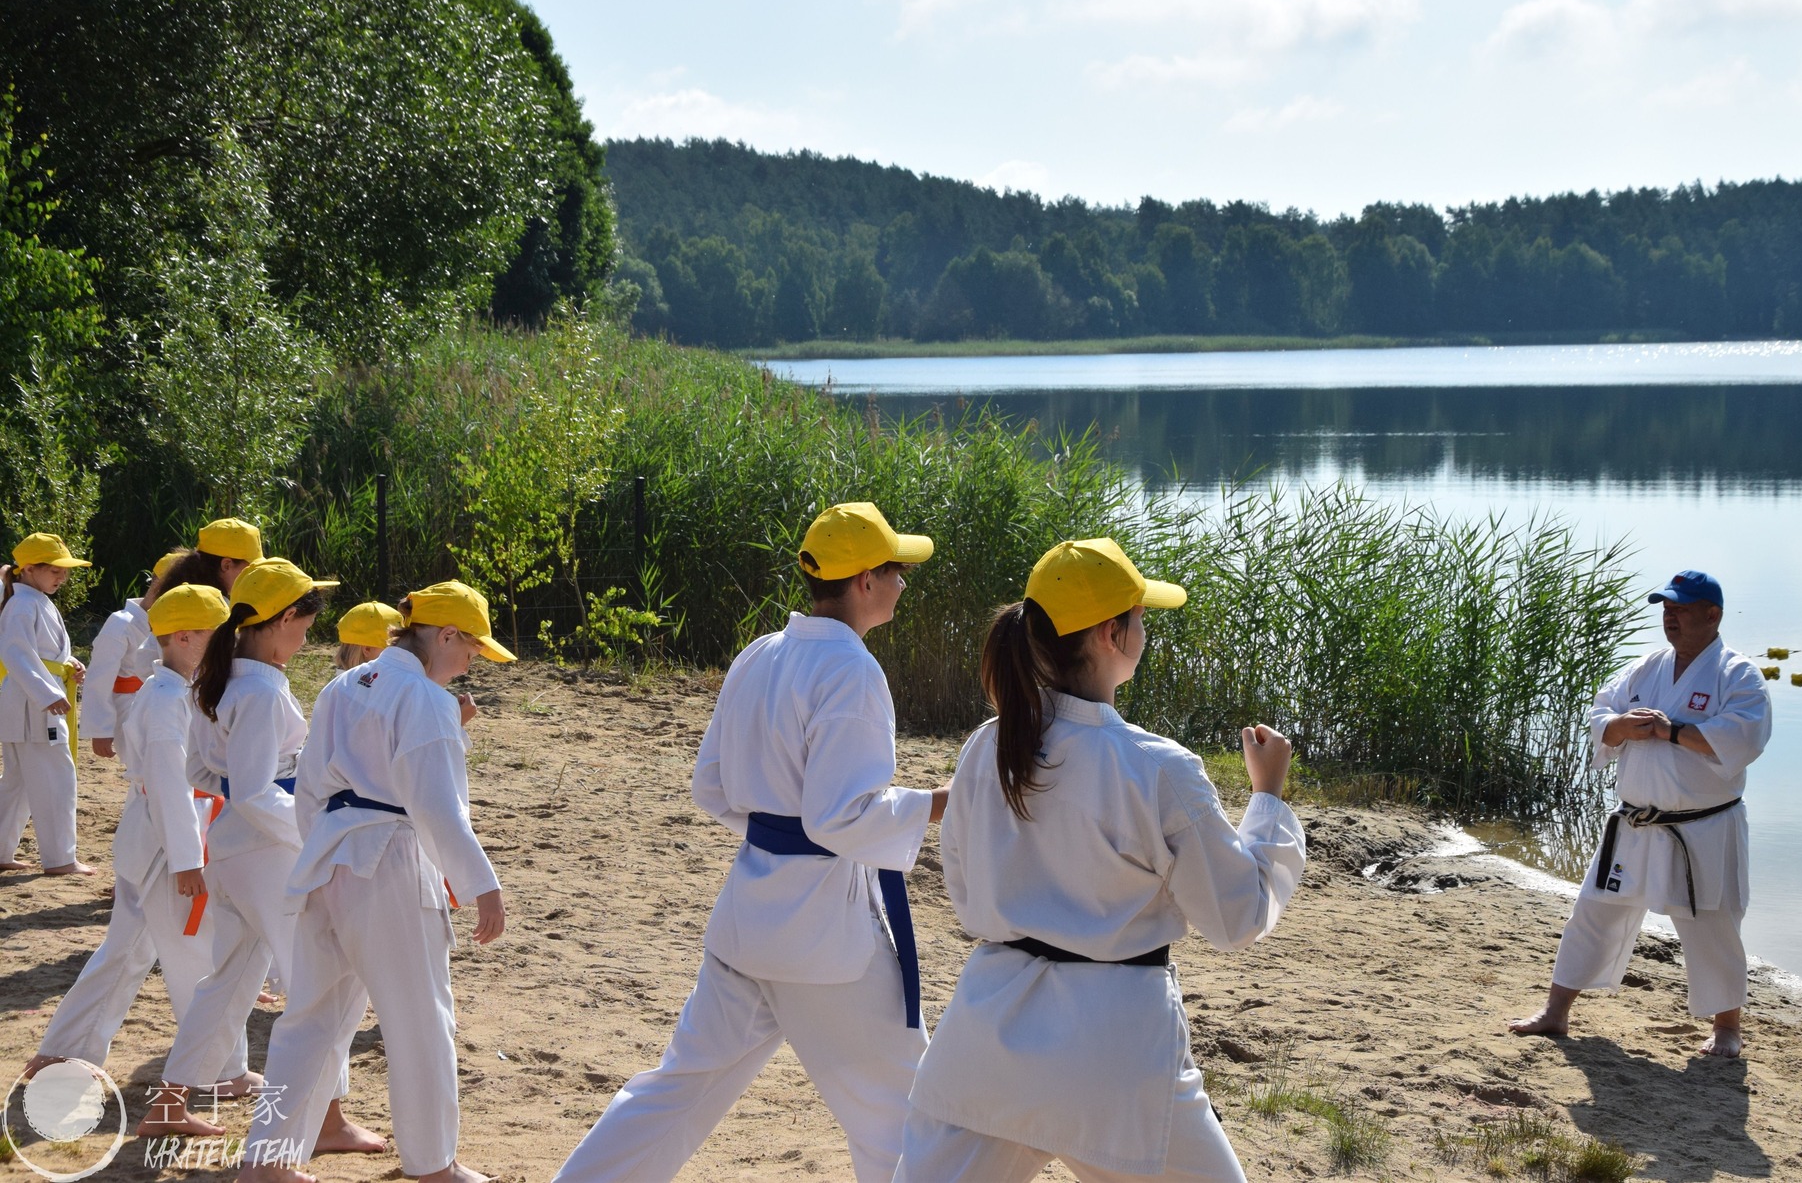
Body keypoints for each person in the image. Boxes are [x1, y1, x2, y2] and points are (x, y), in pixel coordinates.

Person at [554, 502, 944, 1183]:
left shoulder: (761, 653)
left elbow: (712, 787)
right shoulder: (852, 672)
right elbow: (837, 818)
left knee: (677, 1090)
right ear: (863, 582)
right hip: (827, 942)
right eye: (896, 569)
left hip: (747, 920)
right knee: (906, 1115)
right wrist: (938, 805)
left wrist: (779, 832)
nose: (905, 581)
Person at [896, 538, 1307, 1183]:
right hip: (1115, 1049)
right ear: (1114, 633)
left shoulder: (989, 747)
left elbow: (967, 891)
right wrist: (1267, 799)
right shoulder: (1156, 767)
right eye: (1140, 616)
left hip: (992, 1033)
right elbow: (1238, 917)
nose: (1145, 627)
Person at [238, 582, 512, 1183]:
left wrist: (321, 847)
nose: (473, 662)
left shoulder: (343, 685)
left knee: (309, 1019)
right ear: (445, 636)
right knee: (420, 1018)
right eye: (471, 648)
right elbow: (438, 807)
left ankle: (266, 1161)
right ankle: (433, 1164)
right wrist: (480, 884)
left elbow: (308, 786)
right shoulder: (426, 699)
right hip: (389, 858)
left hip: (329, 854)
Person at [137, 558, 381, 1153]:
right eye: (305, 624)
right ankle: (327, 1120)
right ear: (285, 618)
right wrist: (310, 828)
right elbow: (250, 790)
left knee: (228, 983)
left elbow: (204, 772)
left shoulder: (220, 680)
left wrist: (269, 798)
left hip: (231, 850)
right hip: (270, 854)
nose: (307, 638)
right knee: (318, 981)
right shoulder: (261, 689)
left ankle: (171, 1102)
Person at [1510, 570, 1771, 1059]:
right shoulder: (1646, 667)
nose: (1669, 617)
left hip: (1703, 826)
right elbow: (1600, 714)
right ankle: (1556, 1011)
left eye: (1681, 609)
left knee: (1713, 925)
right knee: (1593, 911)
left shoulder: (1738, 676)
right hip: (1635, 821)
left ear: (1712, 615)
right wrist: (1620, 726)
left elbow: (1744, 738)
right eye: (1665, 608)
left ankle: (1728, 1027)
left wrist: (1673, 732)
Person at [26, 583, 255, 1092]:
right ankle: (221, 1070)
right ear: (186, 636)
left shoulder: (168, 690)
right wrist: (186, 859)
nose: (228, 643)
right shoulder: (168, 697)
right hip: (165, 839)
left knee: (126, 950)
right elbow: (171, 782)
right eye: (220, 634)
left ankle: (65, 1049)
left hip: (148, 834)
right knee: (195, 955)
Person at [0, 533, 95, 876]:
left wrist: (70, 663)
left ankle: (1, 851)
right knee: (56, 777)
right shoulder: (23, 604)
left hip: (29, 703)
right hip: (34, 707)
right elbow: (15, 653)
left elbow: (41, 652)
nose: (62, 577)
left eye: (64, 571)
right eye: (54, 570)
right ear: (28, 569)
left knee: (19, 782)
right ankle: (61, 859)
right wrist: (47, 693)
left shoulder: (32, 600)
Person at [76, 551, 182, 763]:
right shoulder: (121, 623)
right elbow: (99, 678)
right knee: (142, 773)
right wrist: (100, 729)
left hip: (166, 705)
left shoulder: (173, 622)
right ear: (157, 584)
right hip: (129, 708)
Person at [333, 600, 403, 671]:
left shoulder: (341, 680)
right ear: (367, 649)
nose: (401, 654)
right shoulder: (381, 680)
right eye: (394, 649)